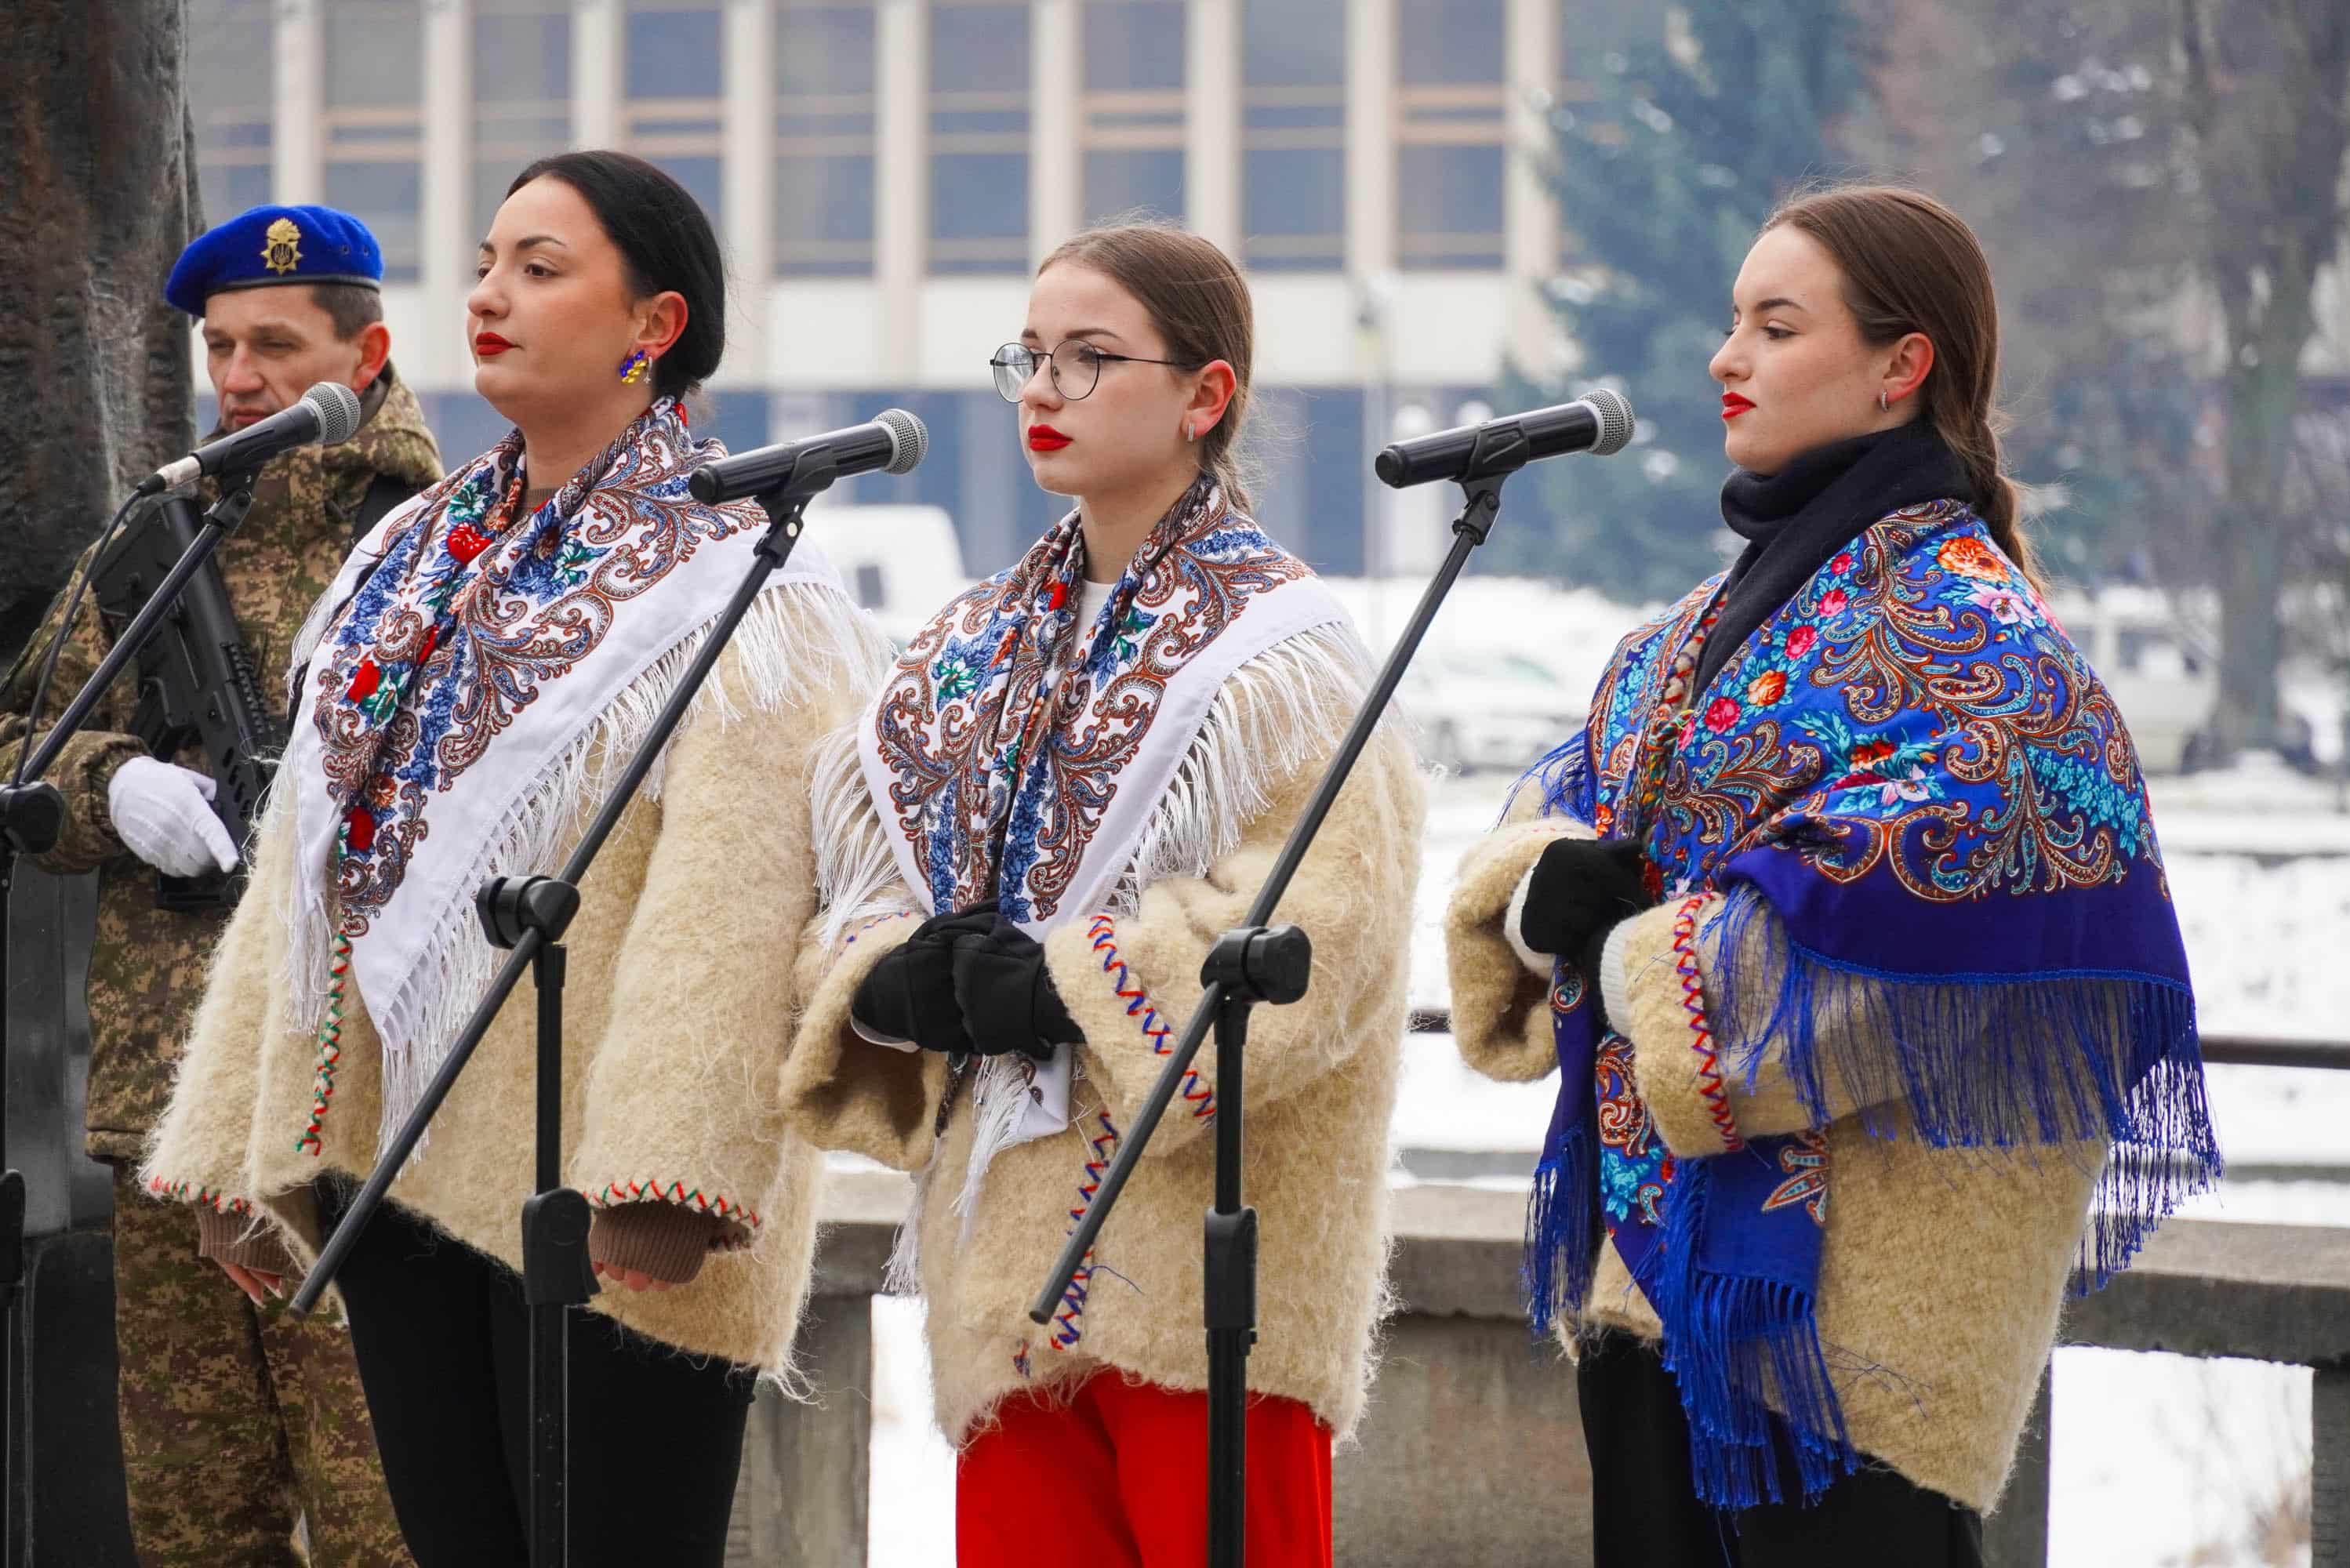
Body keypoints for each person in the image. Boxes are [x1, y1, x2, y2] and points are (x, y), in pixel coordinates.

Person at [1442, 184, 2219, 1566]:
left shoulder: (1990, 652)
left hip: (1855, 1353)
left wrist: (1631, 952)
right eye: (1732, 320)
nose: (1723, 358)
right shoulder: (1690, 634)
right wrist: (1534, 885)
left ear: (1898, 366)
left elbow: (1901, 947)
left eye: (1775, 324)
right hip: (1649, 1297)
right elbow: (1560, 808)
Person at [140, 151, 891, 1567]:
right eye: (488, 263)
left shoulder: (738, 581)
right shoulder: (411, 553)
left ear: (652, 325)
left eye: (541, 269)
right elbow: (311, 861)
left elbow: (730, 917)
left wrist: (668, 1175)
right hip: (398, 1161)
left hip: (612, 1206)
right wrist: (238, 1134)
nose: (490, 295)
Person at [781, 219, 1424, 1566]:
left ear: (1207, 396)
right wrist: (892, 973)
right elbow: (852, 881)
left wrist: (1066, 983)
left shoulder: (1289, 653)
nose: (1041, 389)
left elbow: (1328, 932)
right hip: (1011, 1273)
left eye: (1090, 358)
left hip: (1205, 1274)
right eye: (1031, 355)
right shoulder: (968, 645)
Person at [0, 201, 437, 1568]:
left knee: (392, 1521)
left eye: (274, 346)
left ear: (364, 357)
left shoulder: (437, 541)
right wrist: (112, 790)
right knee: (195, 1523)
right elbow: (21, 741)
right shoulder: (167, 528)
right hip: (170, 1115)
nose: (238, 378)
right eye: (220, 347)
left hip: (357, 1124)